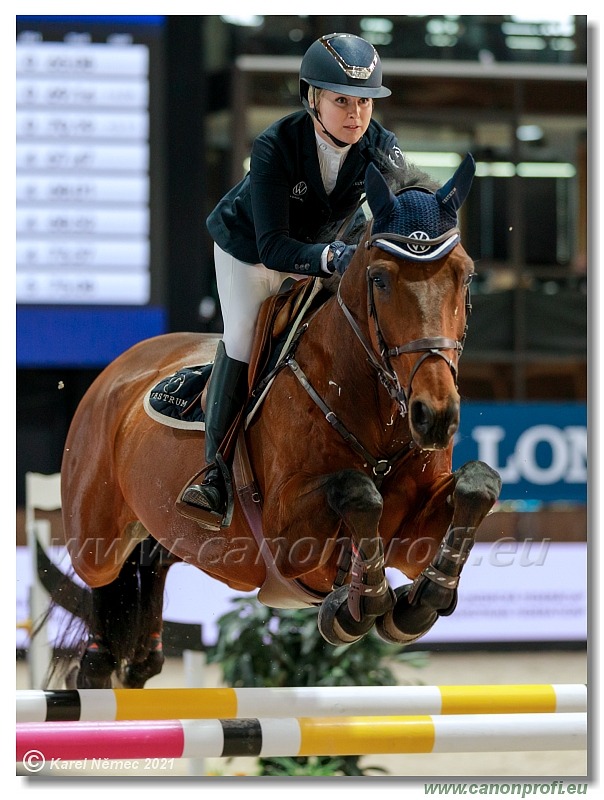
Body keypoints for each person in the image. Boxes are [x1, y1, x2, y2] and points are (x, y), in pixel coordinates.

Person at [182, 32, 405, 520]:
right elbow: (272, 247)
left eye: (365, 102)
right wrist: (330, 257)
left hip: (320, 252)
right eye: (341, 100)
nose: (356, 114)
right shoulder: (275, 146)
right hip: (250, 252)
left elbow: (399, 210)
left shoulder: (382, 149)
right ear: (312, 99)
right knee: (244, 337)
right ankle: (214, 474)